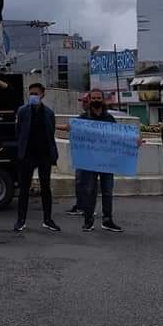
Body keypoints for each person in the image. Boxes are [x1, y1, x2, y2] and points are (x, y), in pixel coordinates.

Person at [60, 90, 123, 233]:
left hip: (106, 162)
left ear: (103, 100)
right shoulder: (83, 118)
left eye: (98, 98)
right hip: (89, 162)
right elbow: (71, 128)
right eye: (93, 98)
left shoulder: (109, 119)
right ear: (90, 100)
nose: (96, 100)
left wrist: (133, 142)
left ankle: (108, 220)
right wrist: (53, 126)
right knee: (90, 191)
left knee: (107, 191)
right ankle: (88, 221)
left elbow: (119, 137)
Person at [13, 83, 60, 233]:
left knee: (46, 188)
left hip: (44, 155)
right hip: (27, 155)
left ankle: (48, 219)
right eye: (31, 93)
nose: (33, 96)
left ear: (42, 94)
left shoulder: (49, 113)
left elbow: (51, 132)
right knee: (24, 189)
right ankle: (21, 220)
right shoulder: (22, 111)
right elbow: (18, 132)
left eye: (36, 93)